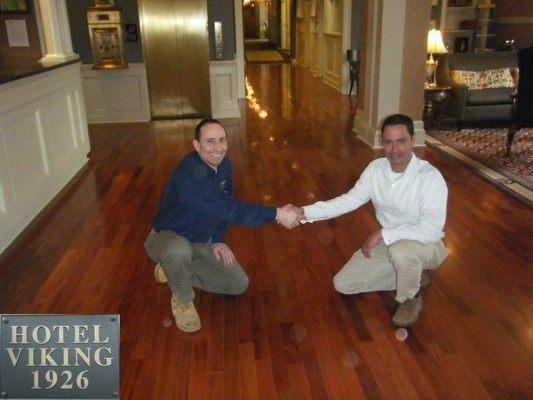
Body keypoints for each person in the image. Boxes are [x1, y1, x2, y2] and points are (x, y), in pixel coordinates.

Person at [294, 114, 448, 327]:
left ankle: (410, 298)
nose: (394, 150)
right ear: (382, 143)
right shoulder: (376, 170)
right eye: (388, 142)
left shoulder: (430, 177)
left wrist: (383, 234)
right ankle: (414, 275)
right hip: (391, 244)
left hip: (427, 245)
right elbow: (348, 201)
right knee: (344, 284)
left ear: (413, 139)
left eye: (401, 141)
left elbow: (431, 230)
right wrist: (304, 213)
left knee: (402, 252)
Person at [145, 118, 297, 333]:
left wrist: (218, 239)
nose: (217, 148)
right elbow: (230, 210)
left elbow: (223, 204)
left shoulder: (223, 165)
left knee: (237, 283)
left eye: (222, 140)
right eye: (209, 142)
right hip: (167, 236)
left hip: (199, 238)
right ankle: (182, 298)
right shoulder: (189, 175)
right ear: (196, 145)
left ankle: (172, 269)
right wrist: (277, 213)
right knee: (178, 250)